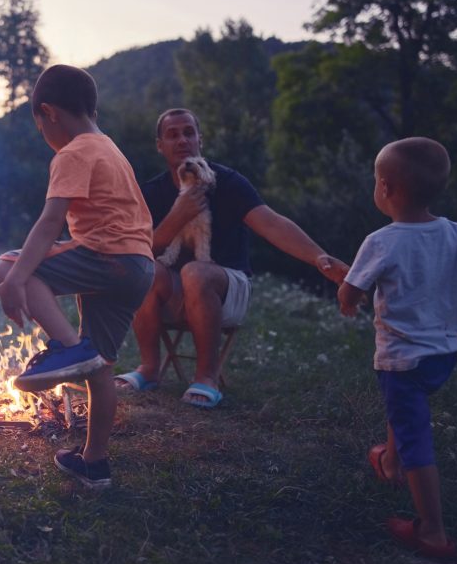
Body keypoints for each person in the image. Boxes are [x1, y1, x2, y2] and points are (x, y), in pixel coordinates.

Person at [115, 108, 348, 407]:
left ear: (200, 138)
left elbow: (272, 223)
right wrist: (176, 217)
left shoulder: (228, 182)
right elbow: (136, 247)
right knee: (143, 268)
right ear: (159, 145)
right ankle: (148, 369)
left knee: (195, 273)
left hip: (227, 287)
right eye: (172, 134)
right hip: (173, 293)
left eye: (189, 132)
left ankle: (206, 378)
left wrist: (319, 257)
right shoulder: (152, 191)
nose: (182, 140)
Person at [0, 65, 155, 489]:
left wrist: (13, 281)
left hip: (107, 254)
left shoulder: (74, 152)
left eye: (39, 125)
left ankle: (67, 349)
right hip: (139, 266)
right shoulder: (110, 148)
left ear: (49, 113)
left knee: (10, 264)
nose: (43, 134)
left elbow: (49, 223)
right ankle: (94, 463)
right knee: (100, 366)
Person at [338, 137, 457, 558]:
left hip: (401, 360)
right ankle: (389, 464)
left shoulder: (382, 241)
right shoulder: (455, 233)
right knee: (405, 409)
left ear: (386, 188)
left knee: (414, 435)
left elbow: (349, 293)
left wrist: (348, 300)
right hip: (443, 357)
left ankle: (432, 531)